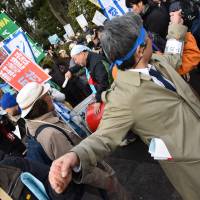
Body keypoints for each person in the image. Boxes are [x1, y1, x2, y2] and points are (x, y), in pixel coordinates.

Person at [49, 12, 200, 200]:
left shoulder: (156, 62)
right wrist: (74, 156)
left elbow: (173, 57)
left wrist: (175, 26)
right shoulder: (124, 98)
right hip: (193, 165)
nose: (150, 38)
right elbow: (103, 137)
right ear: (140, 50)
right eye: (147, 36)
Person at [16, 82, 129, 200]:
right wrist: (107, 180)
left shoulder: (33, 126)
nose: (51, 97)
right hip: (97, 182)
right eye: (48, 94)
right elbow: (80, 167)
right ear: (41, 103)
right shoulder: (51, 134)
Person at [65, 45, 110, 114]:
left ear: (82, 53)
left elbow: (103, 83)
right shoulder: (88, 58)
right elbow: (79, 65)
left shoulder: (97, 63)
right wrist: (70, 71)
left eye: (75, 59)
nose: (75, 62)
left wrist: (98, 100)